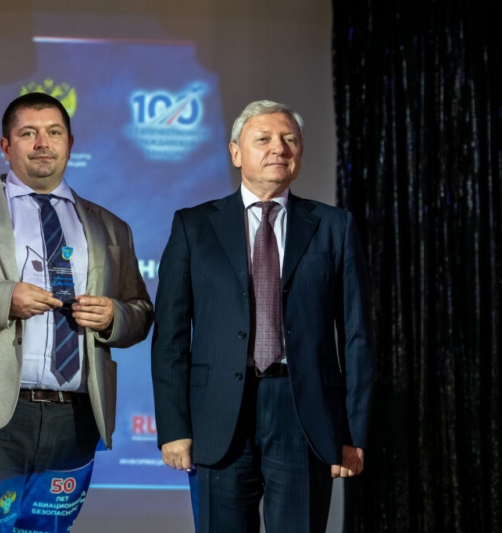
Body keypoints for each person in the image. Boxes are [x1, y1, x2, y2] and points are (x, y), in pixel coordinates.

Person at [0, 92, 154, 532]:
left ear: (70, 144)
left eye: (54, 132)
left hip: (75, 417)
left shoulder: (110, 226)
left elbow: (140, 311)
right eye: (28, 133)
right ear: (6, 146)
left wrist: (113, 317)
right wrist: (5, 298)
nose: (43, 143)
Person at [151, 100, 375, 532]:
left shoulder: (334, 227)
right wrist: (174, 427)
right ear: (236, 153)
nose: (279, 148)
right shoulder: (194, 226)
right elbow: (171, 337)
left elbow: (356, 338)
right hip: (219, 414)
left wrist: (352, 432)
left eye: (290, 139)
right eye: (264, 139)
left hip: (304, 412)